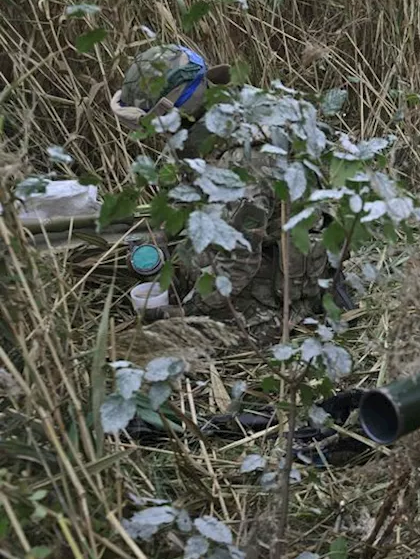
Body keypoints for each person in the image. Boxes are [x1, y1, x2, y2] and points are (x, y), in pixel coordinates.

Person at [109, 43, 332, 341]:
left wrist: (188, 313)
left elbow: (238, 263)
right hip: (270, 238)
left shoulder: (241, 162)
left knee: (187, 339)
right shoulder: (224, 109)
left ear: (171, 112)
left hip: (282, 277)